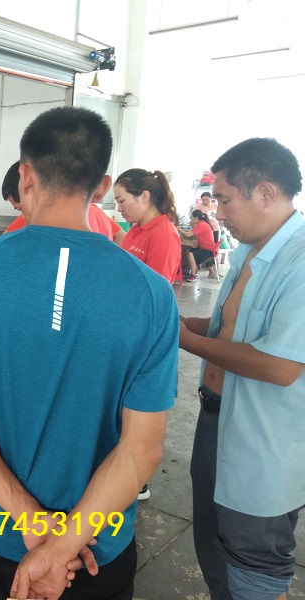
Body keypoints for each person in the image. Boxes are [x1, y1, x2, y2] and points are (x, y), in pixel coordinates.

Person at [0, 106, 178, 600]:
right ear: (103, 186)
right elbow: (142, 448)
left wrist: (31, 521)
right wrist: (64, 543)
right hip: (95, 547)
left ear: (25, 176)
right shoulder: (151, 293)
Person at [179, 137, 305, 600]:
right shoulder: (253, 250)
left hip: (264, 441)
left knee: (255, 560)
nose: (218, 213)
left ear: (266, 193)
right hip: (216, 417)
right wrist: (176, 322)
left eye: (225, 200)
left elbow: (281, 365)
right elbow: (228, 330)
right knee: (215, 545)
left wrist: (186, 340)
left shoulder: (299, 259)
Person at [2, 160, 126, 244]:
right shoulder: (95, 212)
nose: (23, 215)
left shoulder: (44, 222)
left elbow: (3, 242)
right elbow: (122, 238)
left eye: (21, 209)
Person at [114, 169, 180, 284]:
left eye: (121, 201)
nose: (119, 209)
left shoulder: (164, 235)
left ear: (144, 196)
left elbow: (157, 288)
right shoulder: (137, 229)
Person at [178, 209, 218, 282]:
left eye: (192, 217)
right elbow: (192, 232)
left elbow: (188, 234)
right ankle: (188, 270)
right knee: (189, 250)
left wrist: (178, 229)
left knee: (190, 254)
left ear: (196, 218)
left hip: (208, 250)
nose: (191, 219)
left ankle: (193, 275)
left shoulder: (201, 225)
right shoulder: (203, 223)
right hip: (210, 248)